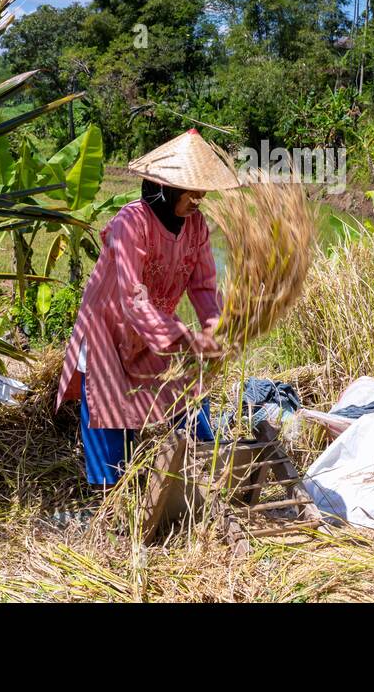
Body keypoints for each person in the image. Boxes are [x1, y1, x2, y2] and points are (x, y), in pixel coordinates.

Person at [54, 129, 241, 488]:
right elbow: (133, 299)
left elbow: (202, 285)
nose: (199, 197)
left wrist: (215, 329)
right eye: (191, 189)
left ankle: (205, 470)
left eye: (202, 189)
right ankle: (108, 497)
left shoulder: (196, 226)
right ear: (164, 188)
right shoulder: (131, 223)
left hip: (155, 328)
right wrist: (182, 336)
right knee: (109, 410)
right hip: (108, 329)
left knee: (185, 392)